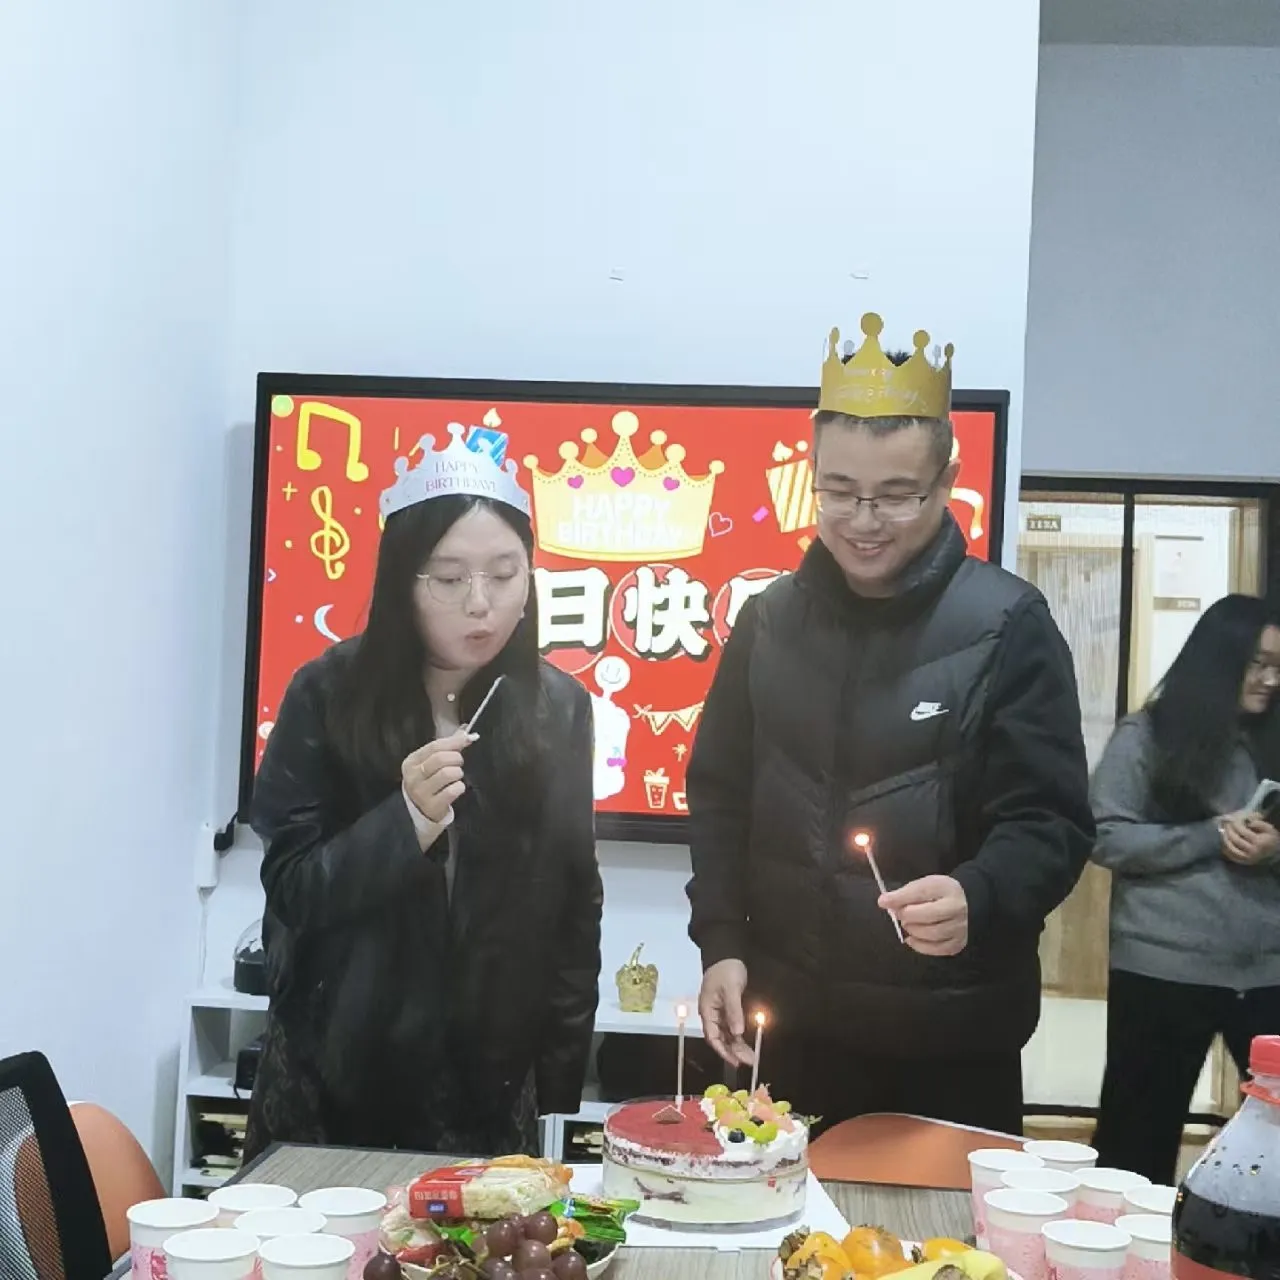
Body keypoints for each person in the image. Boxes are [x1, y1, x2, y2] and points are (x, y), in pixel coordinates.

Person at [686, 312, 1094, 1134]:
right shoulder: (769, 621)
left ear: (946, 482)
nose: (863, 520)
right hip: (791, 1032)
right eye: (838, 491)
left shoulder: (1007, 625)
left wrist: (980, 893)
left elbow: (1051, 821)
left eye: (895, 496)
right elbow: (721, 796)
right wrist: (722, 942)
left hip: (948, 1042)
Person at [244, 427, 602, 1159]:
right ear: (402, 582)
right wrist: (403, 822)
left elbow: (573, 897)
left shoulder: (558, 709)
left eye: (505, 574)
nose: (481, 604)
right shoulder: (327, 694)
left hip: (486, 1087)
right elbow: (292, 889)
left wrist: (558, 1076)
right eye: (449, 578)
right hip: (334, 1077)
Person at [1090, 594, 1280, 1184]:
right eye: (1257, 664)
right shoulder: (1148, 735)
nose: (1270, 680)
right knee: (1136, 1144)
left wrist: (1274, 849)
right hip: (1162, 970)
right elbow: (1104, 837)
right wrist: (1210, 835)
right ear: (1219, 661)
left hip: (1267, 972)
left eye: (1278, 666)